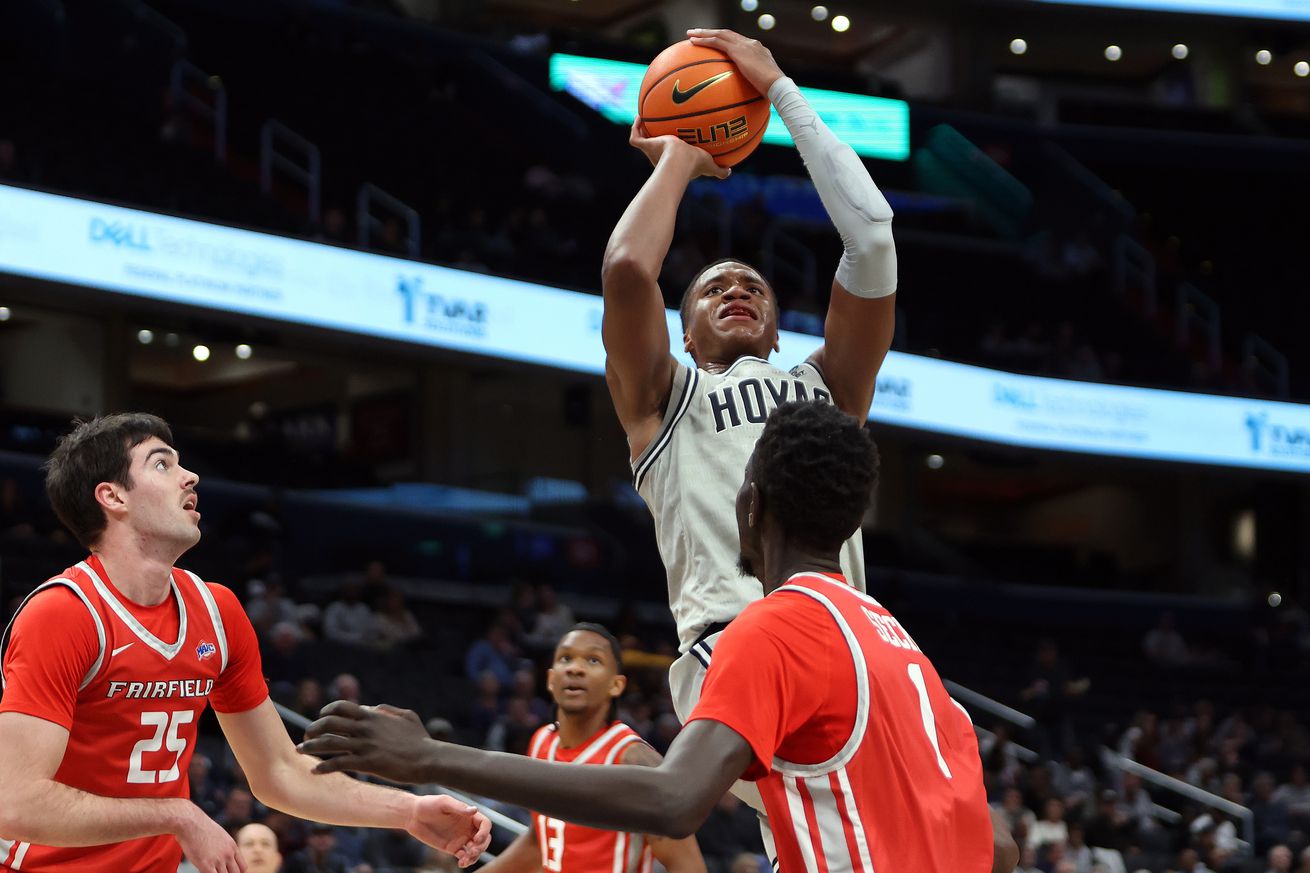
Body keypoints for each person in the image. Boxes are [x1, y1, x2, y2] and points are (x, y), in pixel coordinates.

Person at [301, 402, 1017, 873]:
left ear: (751, 507)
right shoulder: (905, 650)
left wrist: (429, 755)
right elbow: (1002, 845)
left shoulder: (774, 628)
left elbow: (674, 801)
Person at [0, 413, 490, 873]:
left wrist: (408, 809)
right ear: (112, 497)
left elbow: (280, 772)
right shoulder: (63, 614)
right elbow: (14, 802)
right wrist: (176, 814)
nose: (189, 476)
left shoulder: (217, 612)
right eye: (162, 464)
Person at [599, 30, 897, 749]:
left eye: (753, 286)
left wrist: (781, 91)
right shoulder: (662, 399)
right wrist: (677, 159)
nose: (736, 288)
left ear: (777, 331)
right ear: (686, 335)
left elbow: (875, 239)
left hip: (848, 643)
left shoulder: (827, 387)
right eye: (712, 289)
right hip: (734, 645)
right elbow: (628, 271)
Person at [476, 623, 706, 873]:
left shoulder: (635, 760)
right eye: (566, 658)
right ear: (551, 679)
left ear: (616, 685)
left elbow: (687, 865)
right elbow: (541, 839)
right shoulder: (542, 742)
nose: (575, 668)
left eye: (593, 660)